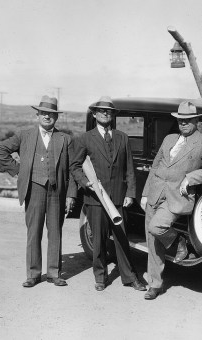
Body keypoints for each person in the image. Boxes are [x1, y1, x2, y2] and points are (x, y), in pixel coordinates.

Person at [140, 100, 202, 300]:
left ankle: (179, 242)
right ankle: (154, 284)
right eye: (180, 120)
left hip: (177, 197)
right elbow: (156, 165)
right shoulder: (168, 139)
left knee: (156, 228)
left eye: (188, 120)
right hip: (155, 193)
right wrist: (145, 193)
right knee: (152, 241)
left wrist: (190, 177)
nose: (183, 124)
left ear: (196, 121)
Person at [0, 95, 77, 288]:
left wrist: (71, 194)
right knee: (34, 232)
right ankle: (33, 274)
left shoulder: (65, 139)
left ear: (56, 118)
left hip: (57, 192)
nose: (47, 117)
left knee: (55, 232)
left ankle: (54, 273)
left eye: (51, 114)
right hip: (34, 190)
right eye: (44, 113)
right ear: (37, 115)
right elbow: (0, 151)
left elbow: (73, 168)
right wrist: (19, 171)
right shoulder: (25, 135)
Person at [71, 96, 146, 292]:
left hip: (119, 199)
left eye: (109, 111)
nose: (105, 114)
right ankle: (100, 277)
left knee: (122, 239)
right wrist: (85, 182)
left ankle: (130, 277)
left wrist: (130, 193)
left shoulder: (123, 137)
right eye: (102, 111)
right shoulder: (85, 139)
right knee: (98, 240)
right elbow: (75, 166)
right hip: (95, 199)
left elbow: (129, 168)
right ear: (94, 114)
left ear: (113, 115)